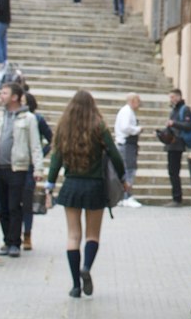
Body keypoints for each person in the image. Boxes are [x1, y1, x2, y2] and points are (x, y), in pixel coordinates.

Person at [47, 89, 130, 298]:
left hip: (72, 185)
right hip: (94, 186)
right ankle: (86, 267)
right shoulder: (98, 126)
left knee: (73, 235)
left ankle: (75, 285)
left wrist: (50, 183)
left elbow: (56, 158)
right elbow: (114, 154)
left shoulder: (64, 127)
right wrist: (122, 177)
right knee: (93, 235)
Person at [0, 81, 45, 257]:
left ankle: (15, 242)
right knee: (2, 207)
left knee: (14, 205)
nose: (1, 96)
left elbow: (35, 145)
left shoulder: (28, 118)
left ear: (14, 97)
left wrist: (38, 168)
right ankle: (6, 240)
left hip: (18, 167)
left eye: (4, 93)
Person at [21, 92, 52, 249]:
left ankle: (27, 234)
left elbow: (52, 139)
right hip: (14, 164)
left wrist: (40, 153)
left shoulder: (37, 119)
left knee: (27, 203)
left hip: (29, 166)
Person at [163, 88, 191, 205]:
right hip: (171, 144)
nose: (171, 99)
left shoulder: (184, 109)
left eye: (172, 97)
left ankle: (177, 198)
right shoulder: (174, 110)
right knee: (172, 172)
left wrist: (173, 123)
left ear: (178, 97)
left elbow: (188, 125)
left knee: (174, 172)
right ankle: (175, 197)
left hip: (178, 144)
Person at [114, 94, 142, 207]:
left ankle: (125, 195)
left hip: (127, 144)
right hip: (126, 143)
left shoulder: (127, 111)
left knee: (127, 169)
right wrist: (137, 129)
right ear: (133, 101)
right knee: (129, 170)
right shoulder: (127, 111)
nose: (139, 103)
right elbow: (125, 127)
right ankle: (126, 195)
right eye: (138, 101)